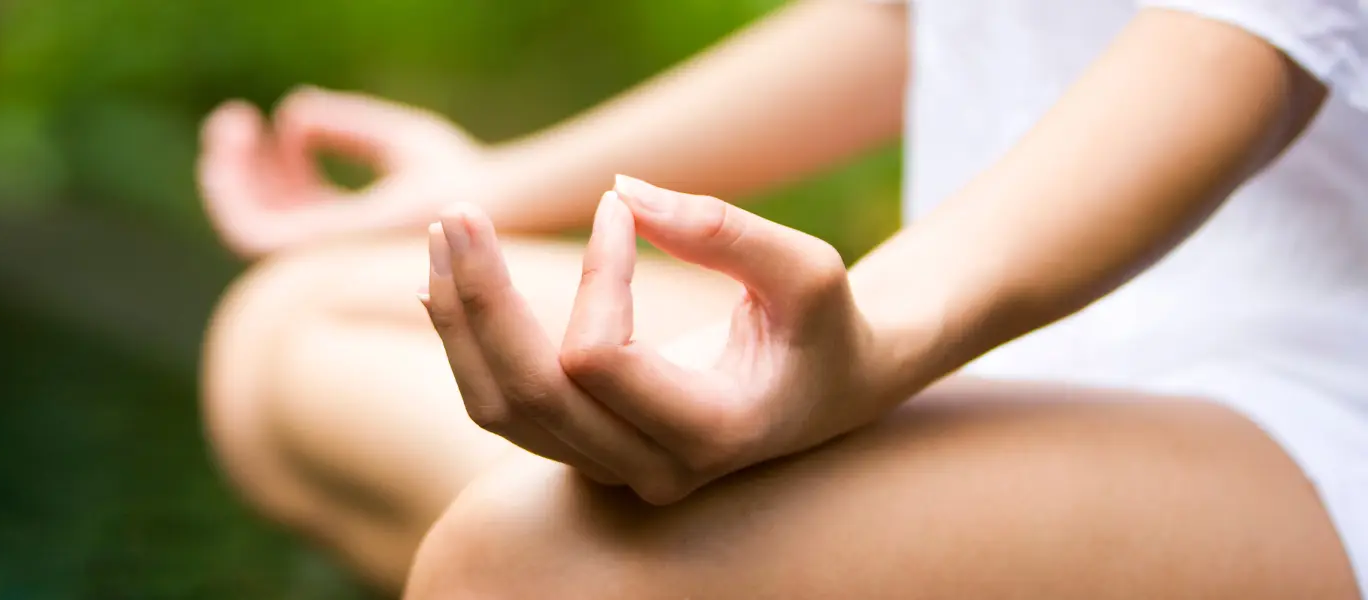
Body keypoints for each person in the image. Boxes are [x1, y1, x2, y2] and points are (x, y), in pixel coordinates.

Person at [197, 0, 1368, 597]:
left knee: (533, 565)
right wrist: (489, 190)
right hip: (989, 341)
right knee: (288, 330)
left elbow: (1233, 42)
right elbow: (900, 21)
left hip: (1300, 411)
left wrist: (877, 344)